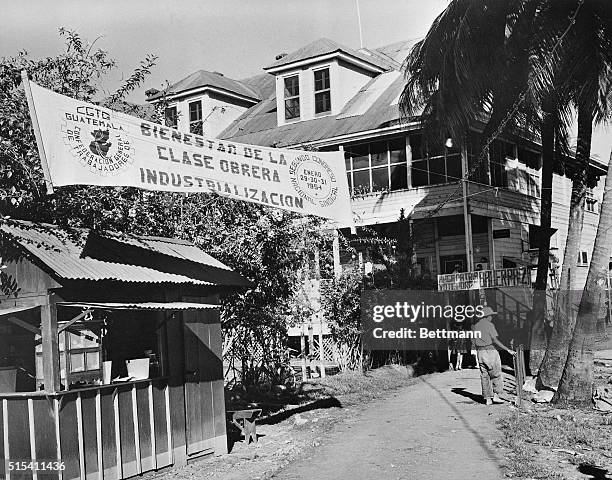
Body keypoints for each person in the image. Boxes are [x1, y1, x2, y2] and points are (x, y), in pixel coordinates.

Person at [471, 306, 516, 405]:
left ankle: (487, 399)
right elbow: (495, 340)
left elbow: (473, 341)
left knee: (484, 375)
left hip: (480, 352)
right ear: (487, 316)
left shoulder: (476, 326)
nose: (492, 317)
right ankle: (496, 395)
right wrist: (508, 349)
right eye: (491, 315)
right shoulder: (489, 325)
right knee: (496, 374)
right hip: (490, 351)